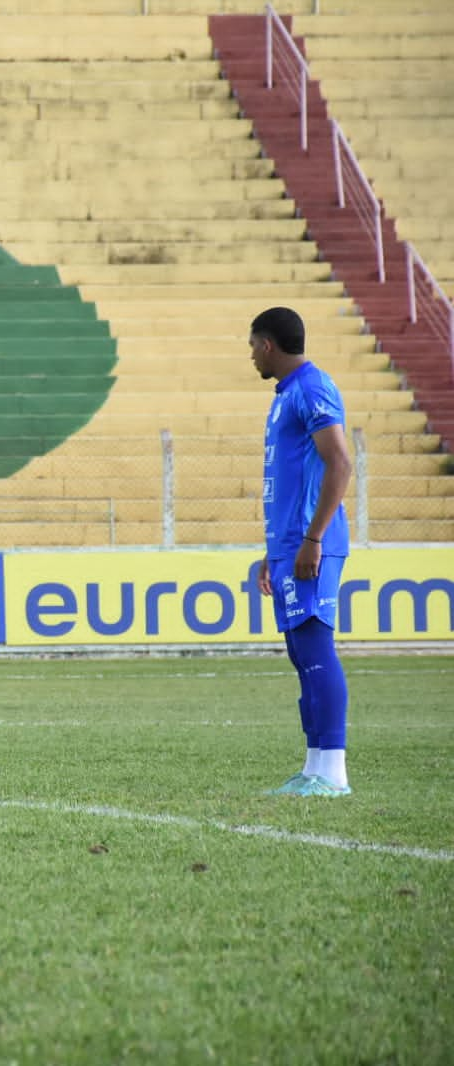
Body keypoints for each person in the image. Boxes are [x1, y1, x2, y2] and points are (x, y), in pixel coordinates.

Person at [250, 306, 355, 798]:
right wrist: (272, 553)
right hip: (291, 546)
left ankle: (334, 771)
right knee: (300, 653)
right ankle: (314, 767)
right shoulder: (288, 395)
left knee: (316, 650)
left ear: (268, 344)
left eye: (253, 345)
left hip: (313, 544)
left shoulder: (312, 388)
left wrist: (313, 539)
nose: (251, 355)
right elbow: (291, 482)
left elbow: (340, 462)